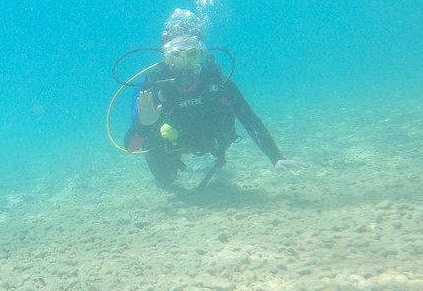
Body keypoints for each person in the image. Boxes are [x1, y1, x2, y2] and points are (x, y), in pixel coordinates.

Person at [124, 26, 304, 189]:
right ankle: (171, 159)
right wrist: (144, 126)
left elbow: (250, 120)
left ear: (201, 55)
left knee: (220, 140)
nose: (185, 63)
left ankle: (215, 150)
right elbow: (130, 147)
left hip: (210, 140)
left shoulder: (219, 84)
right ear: (167, 58)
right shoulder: (157, 91)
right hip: (170, 146)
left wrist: (276, 157)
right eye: (176, 55)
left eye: (192, 54)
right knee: (166, 180)